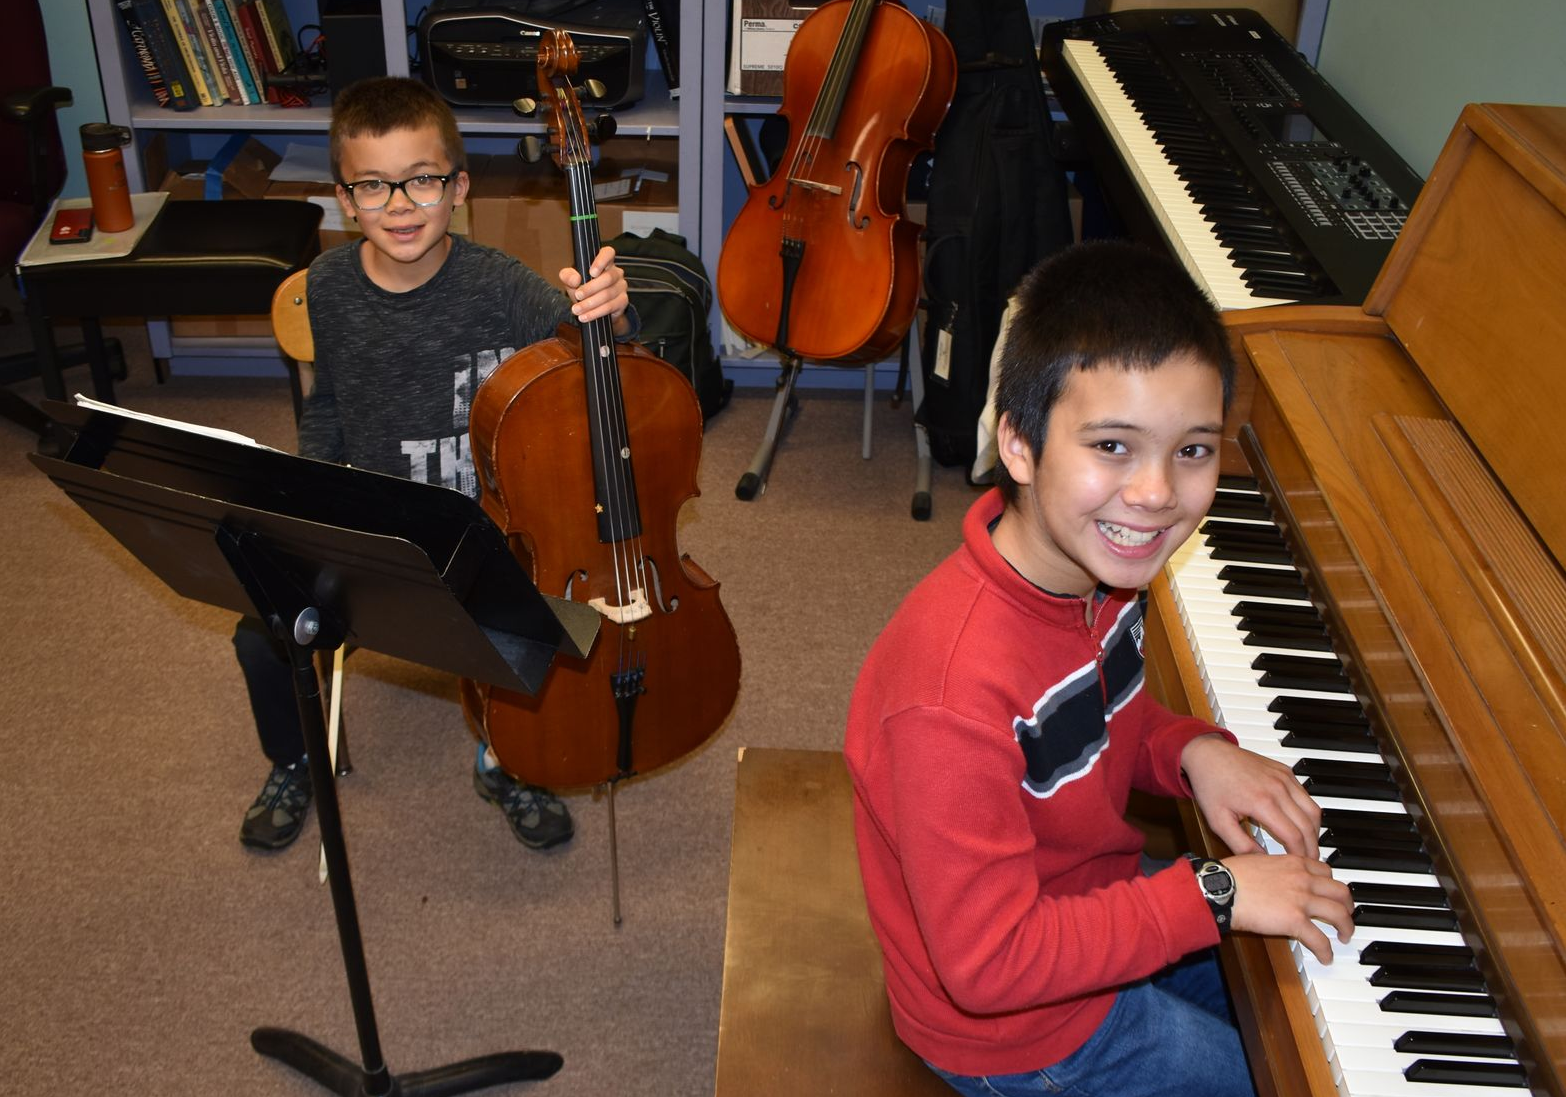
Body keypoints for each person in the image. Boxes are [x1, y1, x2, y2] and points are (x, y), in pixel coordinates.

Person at [843, 240, 1355, 1097]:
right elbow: (989, 963)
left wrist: (1190, 751)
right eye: (1113, 445)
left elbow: (1092, 718)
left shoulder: (1098, 569)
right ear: (1018, 443)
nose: (1156, 492)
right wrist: (1215, 893)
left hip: (1084, 894)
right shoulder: (949, 694)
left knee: (1313, 966)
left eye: (1192, 450)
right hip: (1019, 1027)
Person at [235, 76, 634, 853]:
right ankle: (295, 759)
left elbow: (594, 344)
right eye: (373, 186)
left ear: (458, 188)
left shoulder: (498, 283)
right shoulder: (329, 289)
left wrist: (614, 309)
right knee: (261, 624)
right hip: (378, 534)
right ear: (345, 200)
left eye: (421, 180)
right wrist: (311, 497)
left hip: (482, 533)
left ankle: (509, 760)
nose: (399, 205)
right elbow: (330, 406)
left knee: (550, 628)